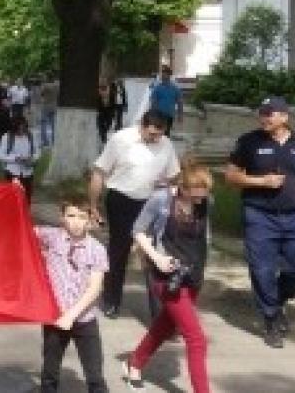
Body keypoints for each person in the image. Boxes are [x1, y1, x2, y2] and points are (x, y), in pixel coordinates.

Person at [223, 96, 295, 348]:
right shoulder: (249, 142)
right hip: (259, 216)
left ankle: (276, 299)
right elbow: (230, 176)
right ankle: (270, 319)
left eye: (270, 114)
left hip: (294, 216)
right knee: (262, 270)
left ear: (285, 116)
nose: (264, 117)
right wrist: (261, 181)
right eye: (262, 113)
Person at [124, 163, 214, 392]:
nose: (199, 201)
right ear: (182, 187)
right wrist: (157, 258)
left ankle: (135, 362)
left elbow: (203, 240)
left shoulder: (206, 203)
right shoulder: (161, 200)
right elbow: (137, 230)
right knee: (196, 339)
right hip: (166, 278)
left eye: (203, 196)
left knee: (164, 326)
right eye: (195, 196)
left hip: (192, 277)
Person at [88, 110, 180, 319]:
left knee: (154, 252)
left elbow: (174, 175)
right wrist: (93, 205)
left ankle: (160, 310)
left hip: (150, 202)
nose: (155, 139)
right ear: (142, 126)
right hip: (121, 199)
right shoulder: (121, 139)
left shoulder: (166, 144)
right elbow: (99, 171)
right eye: (151, 135)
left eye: (159, 135)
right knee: (119, 251)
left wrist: (169, 188)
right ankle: (112, 299)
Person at [35, 197, 108, 393]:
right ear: (62, 217)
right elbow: (20, 227)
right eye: (71, 216)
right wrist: (17, 194)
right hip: (55, 317)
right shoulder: (52, 236)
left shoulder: (97, 250)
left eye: (82, 217)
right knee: (49, 372)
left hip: (84, 319)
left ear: (91, 221)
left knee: (95, 375)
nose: (76, 222)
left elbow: (95, 289)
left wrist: (71, 315)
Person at [0, 115, 40, 204]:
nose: (21, 131)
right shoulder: (7, 137)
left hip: (28, 173)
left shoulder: (31, 136)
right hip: (12, 173)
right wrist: (15, 158)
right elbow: (1, 155)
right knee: (12, 199)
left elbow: (37, 152)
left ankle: (24, 216)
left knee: (26, 199)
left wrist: (32, 159)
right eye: (19, 129)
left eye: (24, 128)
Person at [148, 66, 184, 138]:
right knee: (158, 132)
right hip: (159, 115)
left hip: (169, 115)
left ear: (169, 75)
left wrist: (180, 115)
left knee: (166, 134)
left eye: (165, 73)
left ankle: (164, 146)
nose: (163, 75)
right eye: (162, 73)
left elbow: (180, 102)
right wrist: (152, 114)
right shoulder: (157, 88)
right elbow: (153, 101)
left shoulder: (175, 88)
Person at [38, 78, 59, 148]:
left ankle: (45, 141)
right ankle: (54, 141)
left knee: (43, 123)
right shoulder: (57, 86)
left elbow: (41, 94)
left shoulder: (45, 86)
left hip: (45, 107)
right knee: (53, 125)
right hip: (54, 107)